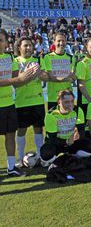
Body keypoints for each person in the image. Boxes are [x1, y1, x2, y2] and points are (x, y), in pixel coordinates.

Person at [0, 29, 40, 176]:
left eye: (1, 40)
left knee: (10, 135)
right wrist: (19, 79)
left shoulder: (10, 58)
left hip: (9, 104)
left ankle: (11, 168)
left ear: (6, 42)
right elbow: (16, 80)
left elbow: (17, 82)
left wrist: (29, 76)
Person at [13, 36, 48, 167]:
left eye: (30, 45)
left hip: (37, 100)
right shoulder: (15, 61)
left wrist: (38, 73)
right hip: (21, 102)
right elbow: (16, 82)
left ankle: (40, 157)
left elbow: (46, 77)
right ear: (19, 47)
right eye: (25, 45)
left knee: (38, 129)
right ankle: (20, 159)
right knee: (21, 130)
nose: (28, 48)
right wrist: (30, 74)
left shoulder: (38, 59)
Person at [40, 90, 91, 164]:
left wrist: (77, 135)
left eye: (72, 101)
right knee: (46, 154)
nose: (70, 104)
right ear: (59, 102)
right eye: (66, 102)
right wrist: (66, 141)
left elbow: (81, 130)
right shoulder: (51, 115)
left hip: (73, 142)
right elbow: (52, 138)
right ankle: (51, 161)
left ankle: (73, 156)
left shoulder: (78, 110)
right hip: (57, 143)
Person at [43, 32, 76, 110]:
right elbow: (51, 77)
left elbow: (73, 78)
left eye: (63, 41)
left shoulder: (71, 58)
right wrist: (67, 77)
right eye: (58, 41)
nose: (61, 43)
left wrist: (70, 77)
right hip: (53, 97)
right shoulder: (48, 57)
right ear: (54, 42)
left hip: (68, 97)